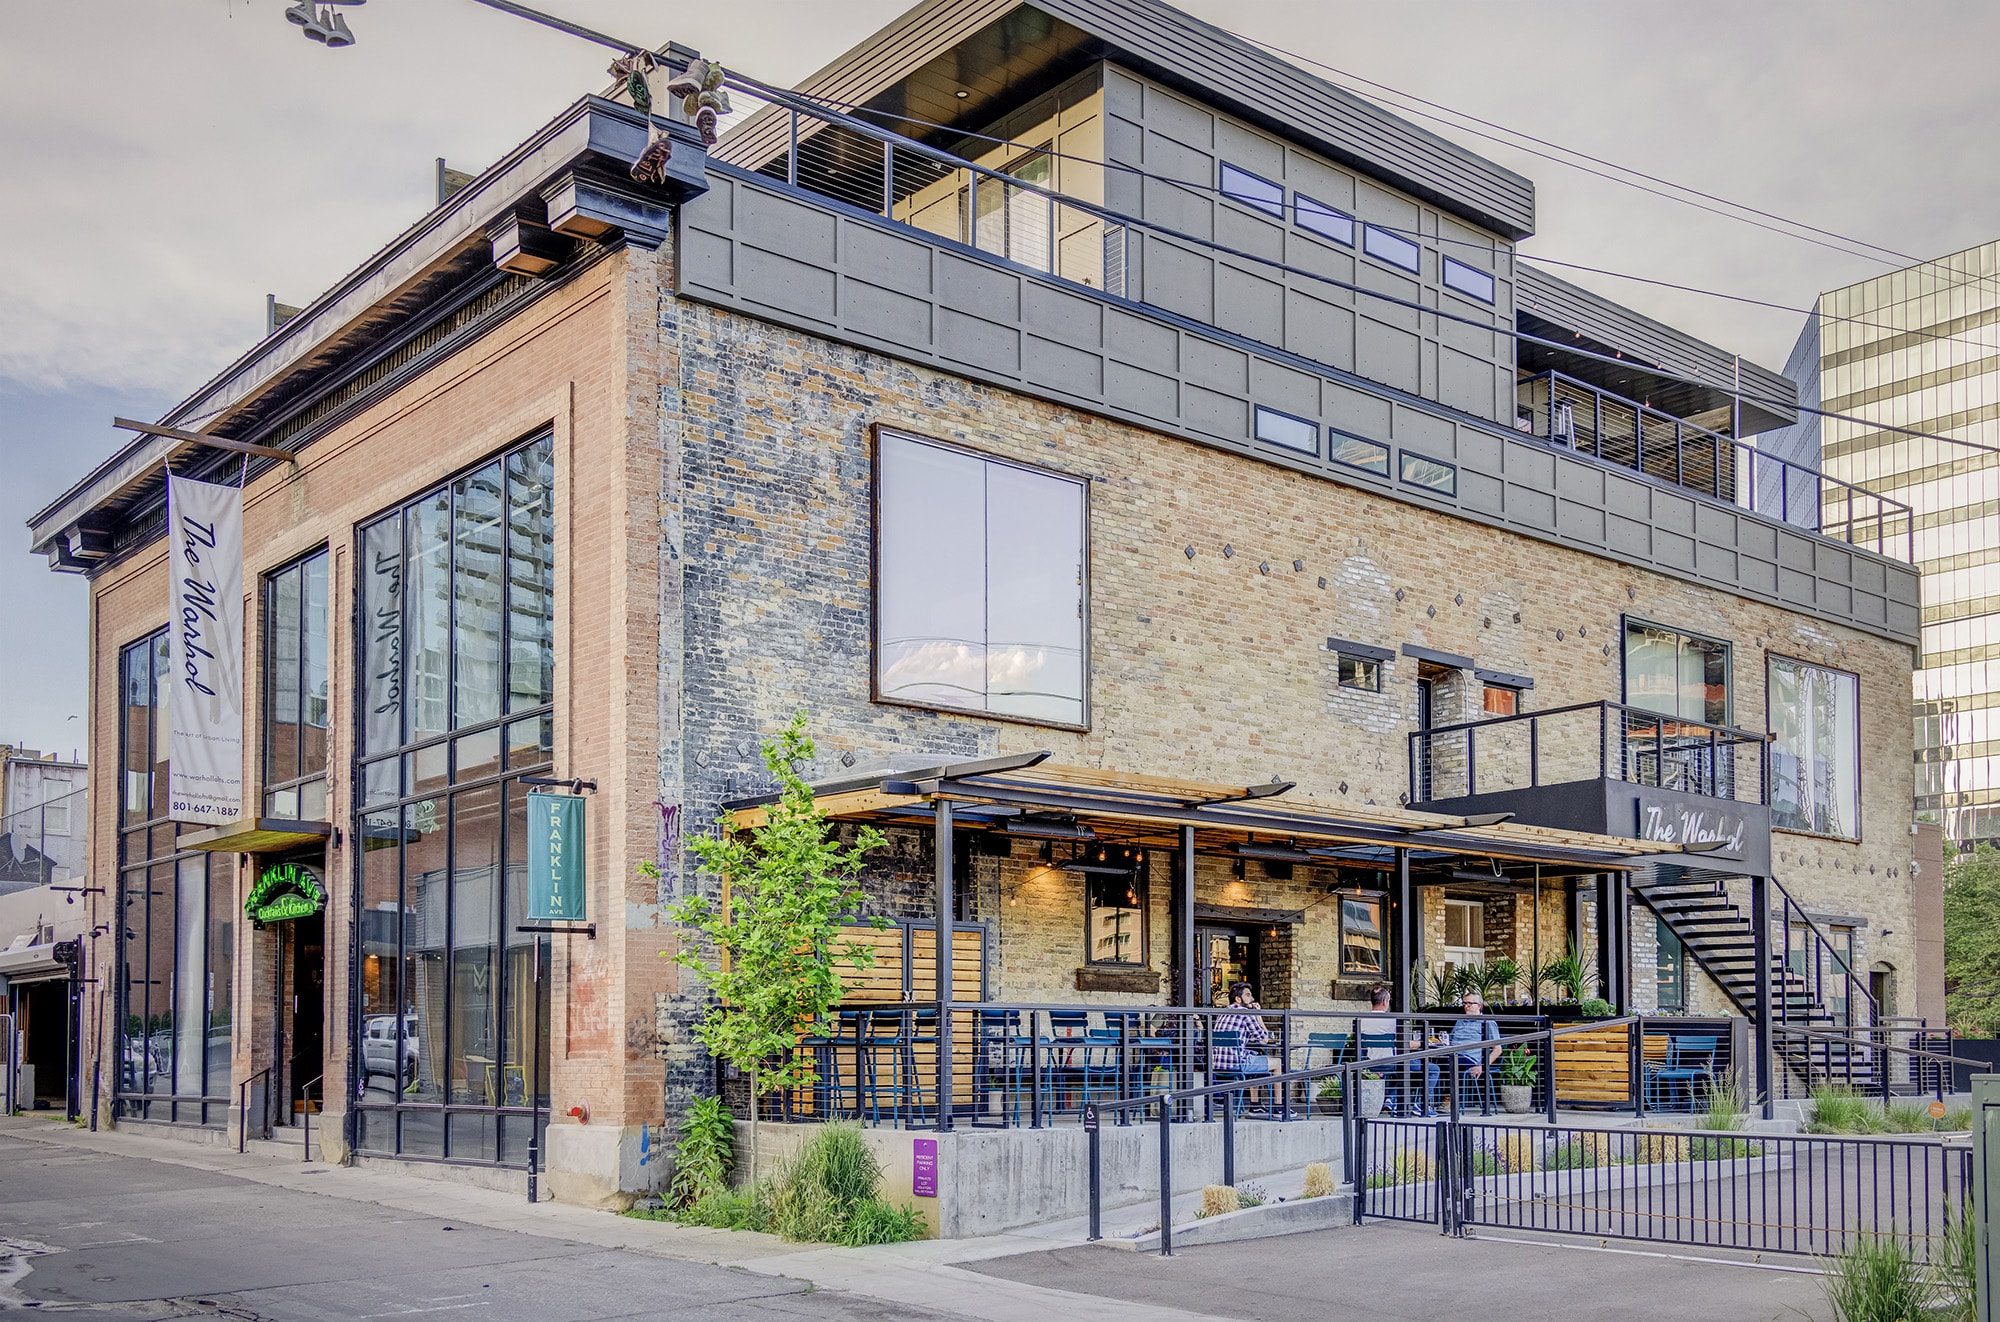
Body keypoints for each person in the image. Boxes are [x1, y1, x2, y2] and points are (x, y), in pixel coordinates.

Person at [1357, 983, 1438, 1116]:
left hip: (1371, 1063)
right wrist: (1422, 1043)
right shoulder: (1392, 1020)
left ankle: (1391, 1099)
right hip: (1392, 1062)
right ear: (1385, 1001)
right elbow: (1405, 1044)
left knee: (1410, 1069)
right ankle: (1421, 1105)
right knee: (1433, 1069)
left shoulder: (1362, 1020)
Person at [1213, 982, 1274, 1110]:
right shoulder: (1246, 1013)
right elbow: (1264, 1039)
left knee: (1256, 1056)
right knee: (1278, 1064)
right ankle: (1280, 1108)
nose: (1252, 999)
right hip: (1236, 1064)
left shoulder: (1222, 1013)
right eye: (1248, 995)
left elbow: (1238, 1033)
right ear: (1238, 999)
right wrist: (1258, 1015)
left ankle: (1255, 1105)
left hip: (1218, 1065)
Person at [1449, 991, 1504, 1111]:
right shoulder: (1460, 1021)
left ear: (1479, 1005)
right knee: (1431, 1065)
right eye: (1464, 1003)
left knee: (1450, 1064)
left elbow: (1498, 1049)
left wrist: (1483, 1066)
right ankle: (1428, 1102)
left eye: (1470, 1003)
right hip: (1452, 1054)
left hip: (1470, 1059)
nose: (1466, 1006)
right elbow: (1450, 1039)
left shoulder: (1488, 1023)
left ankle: (1448, 1101)